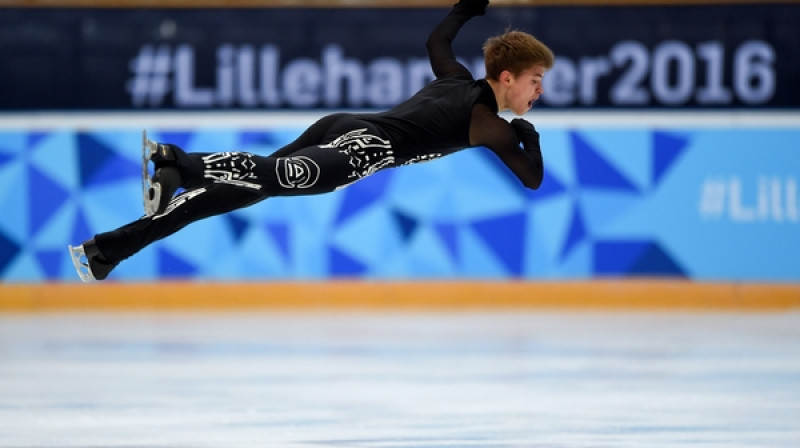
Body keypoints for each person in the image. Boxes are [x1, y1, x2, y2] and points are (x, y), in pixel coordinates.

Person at [68, 0, 555, 282]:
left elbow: (437, 44)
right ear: (507, 77)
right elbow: (531, 178)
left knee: (242, 188)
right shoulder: (487, 122)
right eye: (535, 80)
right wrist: (526, 134)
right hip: (364, 149)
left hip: (340, 124)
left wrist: (464, 9)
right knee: (271, 176)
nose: (539, 92)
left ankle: (107, 251)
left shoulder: (457, 78)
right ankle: (177, 163)